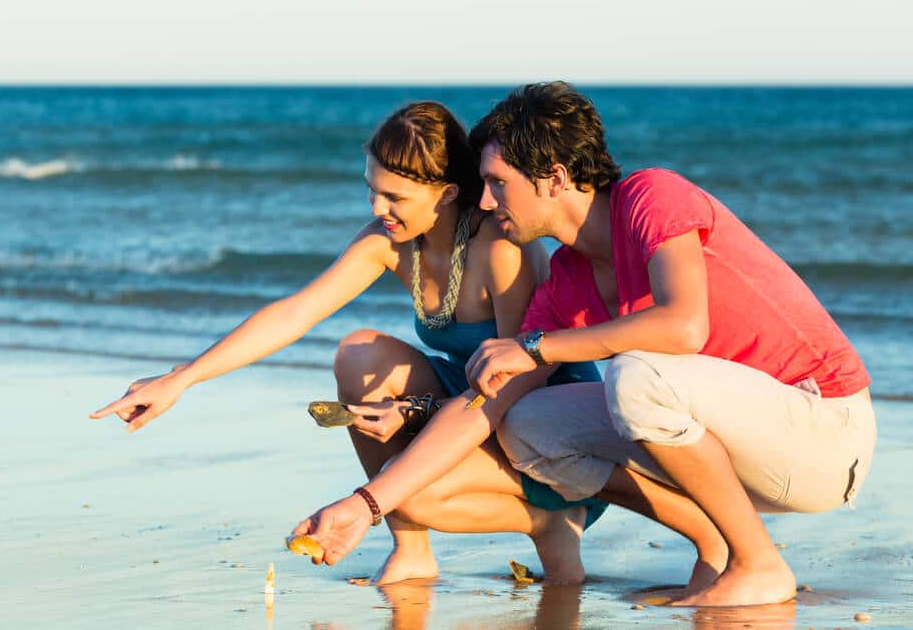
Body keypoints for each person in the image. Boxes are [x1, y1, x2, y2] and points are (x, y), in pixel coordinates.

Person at [292, 82, 875, 607]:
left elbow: (683, 326)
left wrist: (543, 348)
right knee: (528, 421)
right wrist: (366, 505)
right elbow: (486, 404)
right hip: (739, 444)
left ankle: (759, 565)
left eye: (498, 183)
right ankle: (719, 549)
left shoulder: (652, 196)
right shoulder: (568, 277)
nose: (487, 201)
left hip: (823, 433)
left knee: (637, 376)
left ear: (554, 177)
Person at [90, 101, 605, 585]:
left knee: (406, 488)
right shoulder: (391, 241)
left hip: (540, 414)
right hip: (468, 396)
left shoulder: (499, 246)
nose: (378, 207)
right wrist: (182, 379)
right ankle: (411, 549)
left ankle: (548, 520)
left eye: (395, 197)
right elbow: (295, 312)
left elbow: (513, 383)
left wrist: (416, 409)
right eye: (372, 190)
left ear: (447, 193)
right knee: (360, 353)